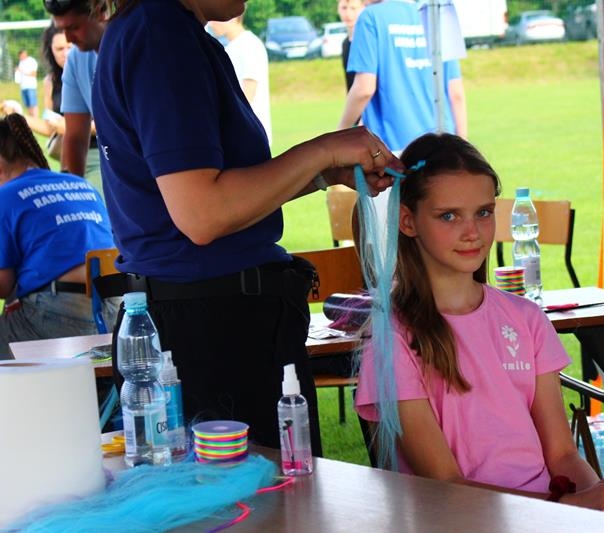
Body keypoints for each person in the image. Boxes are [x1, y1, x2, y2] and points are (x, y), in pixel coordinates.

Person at [92, 0, 398, 454]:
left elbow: (215, 198)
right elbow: (202, 214)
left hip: (204, 318)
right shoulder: (161, 35)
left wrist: (319, 175)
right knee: (261, 496)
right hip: (212, 332)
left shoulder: (163, 30)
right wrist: (322, 151)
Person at [354, 133, 604, 515]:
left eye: (484, 212)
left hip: (549, 514)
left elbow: (562, 454)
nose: (472, 232)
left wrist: (603, 504)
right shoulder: (394, 340)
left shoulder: (526, 318)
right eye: (448, 216)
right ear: (408, 221)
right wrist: (568, 506)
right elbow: (445, 485)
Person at [0, 113, 115, 359]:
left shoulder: (6, 196)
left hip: (60, 311)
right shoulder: (79, 184)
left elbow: (3, 284)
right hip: (114, 306)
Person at [337, 0, 467, 153]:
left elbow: (364, 89)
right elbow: (455, 93)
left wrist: (339, 134)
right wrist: (463, 150)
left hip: (393, 147)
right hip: (442, 144)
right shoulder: (438, 13)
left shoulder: (370, 16)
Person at [43, 0, 108, 195]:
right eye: (63, 29)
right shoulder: (76, 59)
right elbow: (75, 137)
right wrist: (74, 194)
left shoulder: (131, 48)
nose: (68, 38)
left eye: (74, 27)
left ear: (99, 12)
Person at [3, 24, 72, 161]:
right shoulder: (50, 81)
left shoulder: (96, 73)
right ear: (50, 50)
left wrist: (71, 128)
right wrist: (17, 115)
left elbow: (107, 123)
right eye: (59, 49)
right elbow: (49, 128)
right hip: (68, 158)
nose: (66, 54)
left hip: (99, 153)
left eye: (70, 47)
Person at [207, 9, 273, 143]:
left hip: (249, 132)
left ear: (232, 17)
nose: (211, 24)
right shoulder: (232, 47)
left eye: (213, 19)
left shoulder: (248, 45)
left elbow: (249, 89)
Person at [337, 0, 366, 93]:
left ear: (363, 9)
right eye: (344, 8)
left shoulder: (368, 42)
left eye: (353, 8)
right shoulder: (345, 44)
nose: (348, 14)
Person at [15, 51, 39, 118]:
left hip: (31, 86)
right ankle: (31, 119)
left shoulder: (31, 61)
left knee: (33, 103)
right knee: (27, 105)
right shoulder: (21, 62)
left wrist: (22, 71)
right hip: (23, 86)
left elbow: (34, 74)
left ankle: (36, 118)